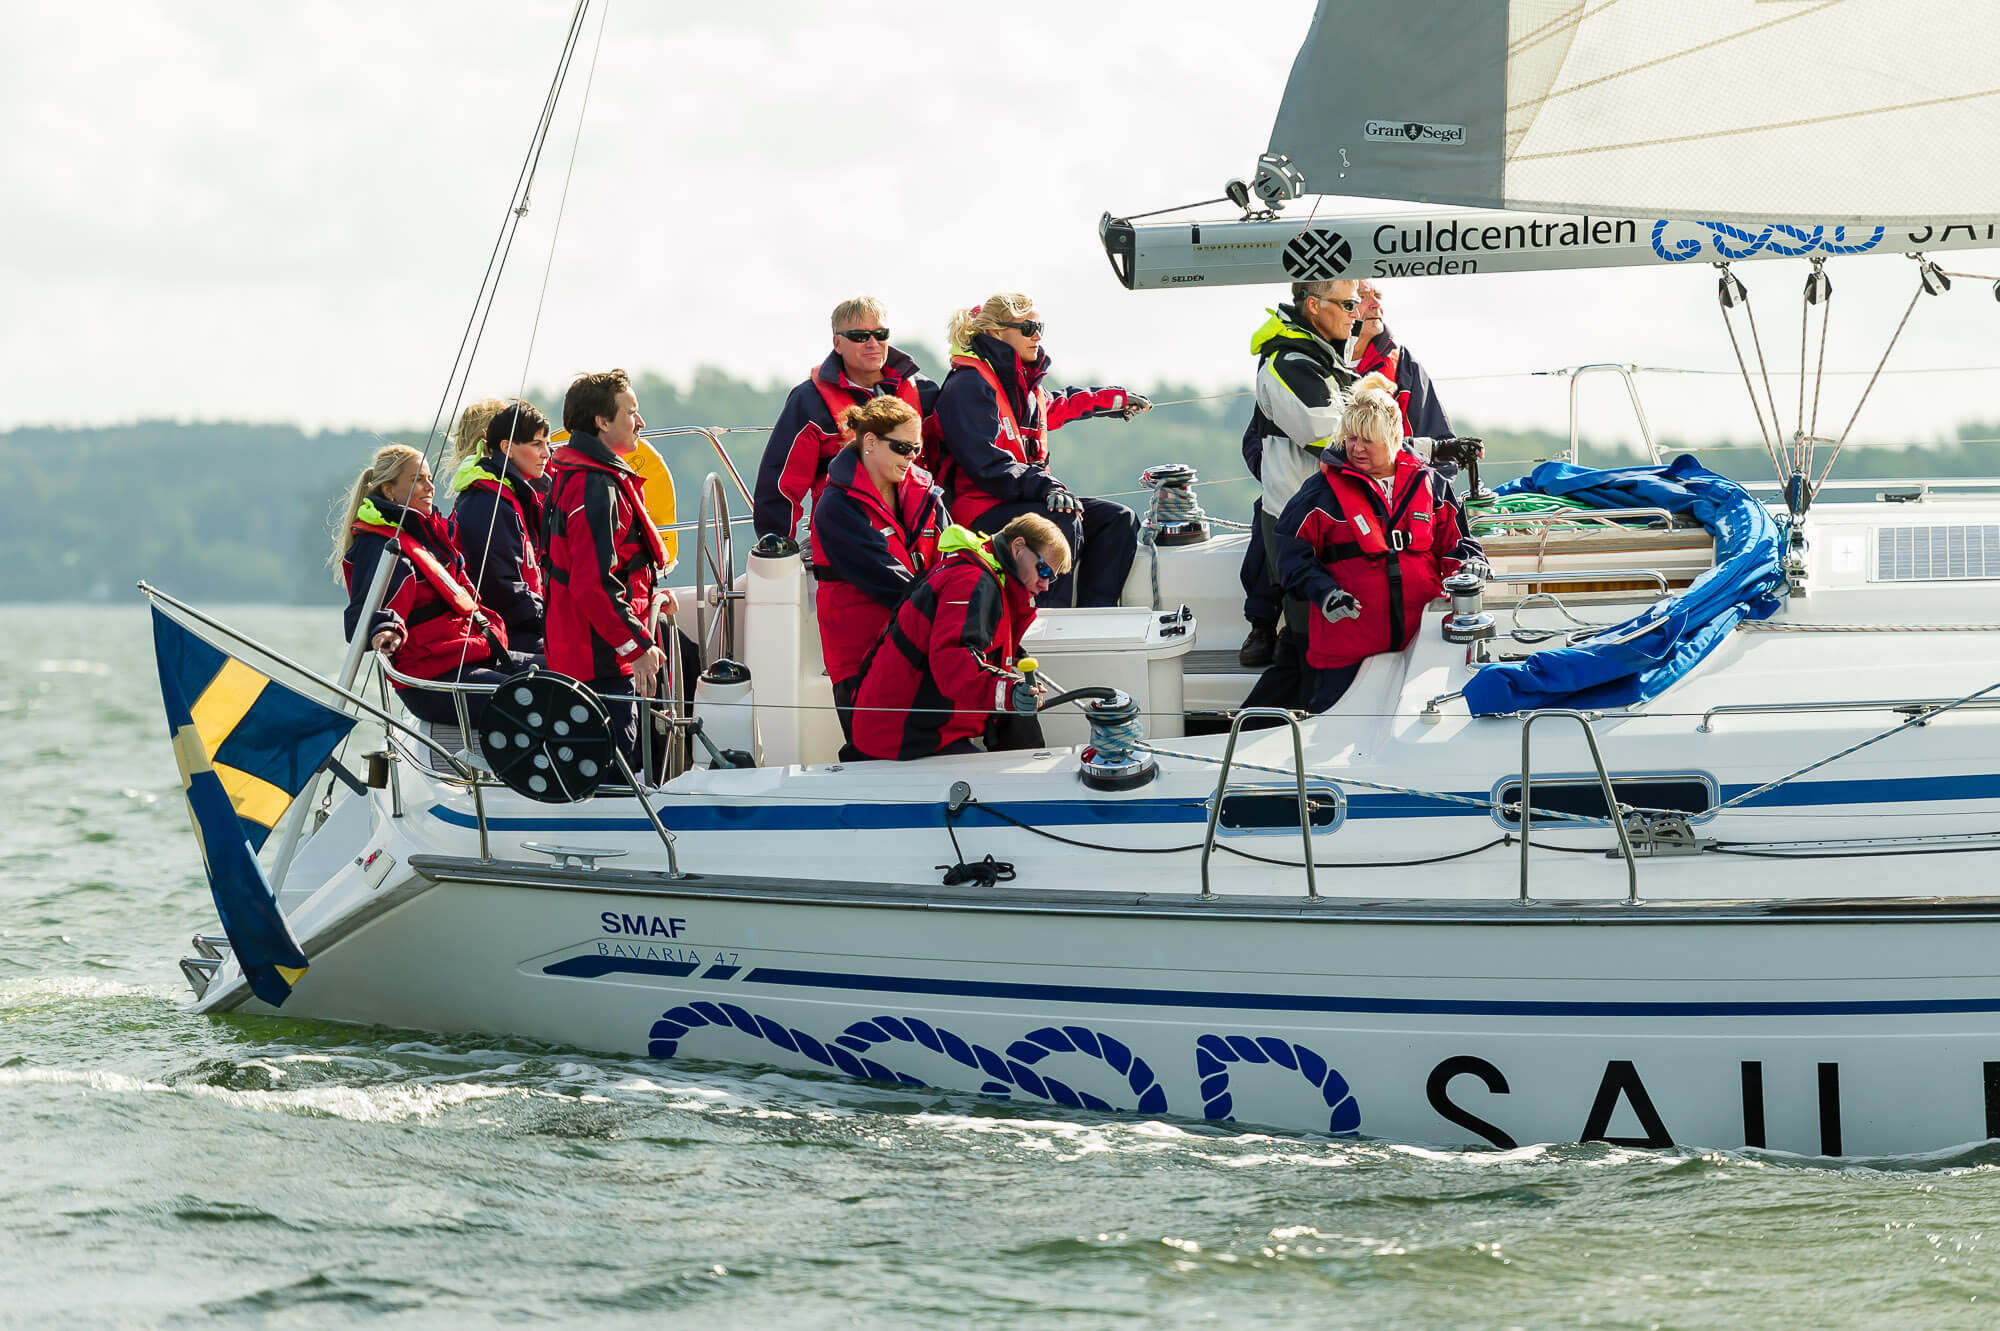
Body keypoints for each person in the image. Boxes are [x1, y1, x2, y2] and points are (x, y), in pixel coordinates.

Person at [1266, 373, 1487, 712]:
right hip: (1346, 651)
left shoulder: (1431, 486)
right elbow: (1291, 556)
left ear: (1393, 438)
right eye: (1351, 438)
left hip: (1422, 645)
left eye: (1367, 440)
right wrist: (1325, 593)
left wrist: (1470, 566)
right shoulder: (1320, 494)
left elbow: (1460, 544)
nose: (1356, 448)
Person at [933, 293, 1151, 608]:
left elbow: (1059, 405)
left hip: (1025, 502)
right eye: (1028, 327)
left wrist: (1114, 401)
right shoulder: (966, 386)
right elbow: (986, 465)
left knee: (1118, 519)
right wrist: (1046, 485)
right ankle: (1051, 622)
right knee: (1061, 519)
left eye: (1040, 327)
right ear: (995, 332)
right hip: (980, 514)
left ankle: (1096, 617)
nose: (1037, 335)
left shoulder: (1025, 386)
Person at [846, 514, 1070, 762]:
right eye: (1044, 570)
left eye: (1053, 577)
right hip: (901, 739)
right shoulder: (971, 580)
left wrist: (1013, 659)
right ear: (1018, 547)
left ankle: (1033, 771)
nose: (1046, 584)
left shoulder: (985, 574)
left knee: (1022, 739)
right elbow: (952, 662)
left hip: (923, 731)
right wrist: (1010, 691)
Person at [334, 444, 527, 726]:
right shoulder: (381, 545)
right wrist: (385, 630)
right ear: (389, 490)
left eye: (430, 479)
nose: (429, 487)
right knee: (533, 697)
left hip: (467, 654)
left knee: (567, 677)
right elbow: (368, 610)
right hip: (431, 678)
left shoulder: (429, 535)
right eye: (418, 480)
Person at [544, 369, 679, 769]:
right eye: (631, 413)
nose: (641, 422)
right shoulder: (594, 487)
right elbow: (592, 584)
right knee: (617, 779)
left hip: (591, 653)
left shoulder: (579, 477)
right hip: (598, 665)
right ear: (602, 422)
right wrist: (638, 648)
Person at [1237, 279, 1363, 695]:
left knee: (1300, 636)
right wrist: (1415, 450)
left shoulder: (1322, 359)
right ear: (1313, 305)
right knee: (1313, 636)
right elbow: (1331, 437)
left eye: (1357, 303)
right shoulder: (1289, 364)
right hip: (1299, 520)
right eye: (1347, 303)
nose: (1356, 312)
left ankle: (1252, 729)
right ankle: (1310, 730)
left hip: (1324, 514)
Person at [808, 396, 948, 743]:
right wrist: (953, 611)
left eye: (916, 449)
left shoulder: (928, 494)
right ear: (869, 442)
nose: (911, 458)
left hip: (922, 644)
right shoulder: (836, 506)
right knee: (874, 752)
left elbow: (956, 555)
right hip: (863, 659)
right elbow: (888, 580)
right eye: (902, 448)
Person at [753, 296, 940, 543]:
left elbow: (949, 465)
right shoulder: (809, 401)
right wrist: (776, 540)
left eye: (880, 334)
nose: (873, 343)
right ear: (837, 343)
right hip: (848, 538)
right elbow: (779, 480)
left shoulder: (924, 393)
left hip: (920, 534)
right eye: (860, 336)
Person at [449, 400, 553, 658]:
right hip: (509, 632)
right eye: (536, 444)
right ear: (504, 446)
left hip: (523, 625)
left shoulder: (510, 496)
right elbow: (500, 589)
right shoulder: (487, 503)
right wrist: (554, 618)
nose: (547, 453)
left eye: (546, 444)